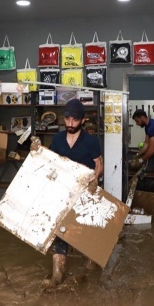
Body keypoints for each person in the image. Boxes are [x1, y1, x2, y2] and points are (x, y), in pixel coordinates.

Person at [34, 98, 102, 287]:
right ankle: (57, 274)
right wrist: (38, 152)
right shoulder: (57, 139)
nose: (70, 124)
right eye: (67, 120)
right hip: (63, 193)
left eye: (74, 120)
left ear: (82, 120)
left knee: (86, 229)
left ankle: (92, 261)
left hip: (85, 192)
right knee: (61, 229)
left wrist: (95, 179)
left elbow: (98, 164)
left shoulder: (91, 141)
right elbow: (53, 161)